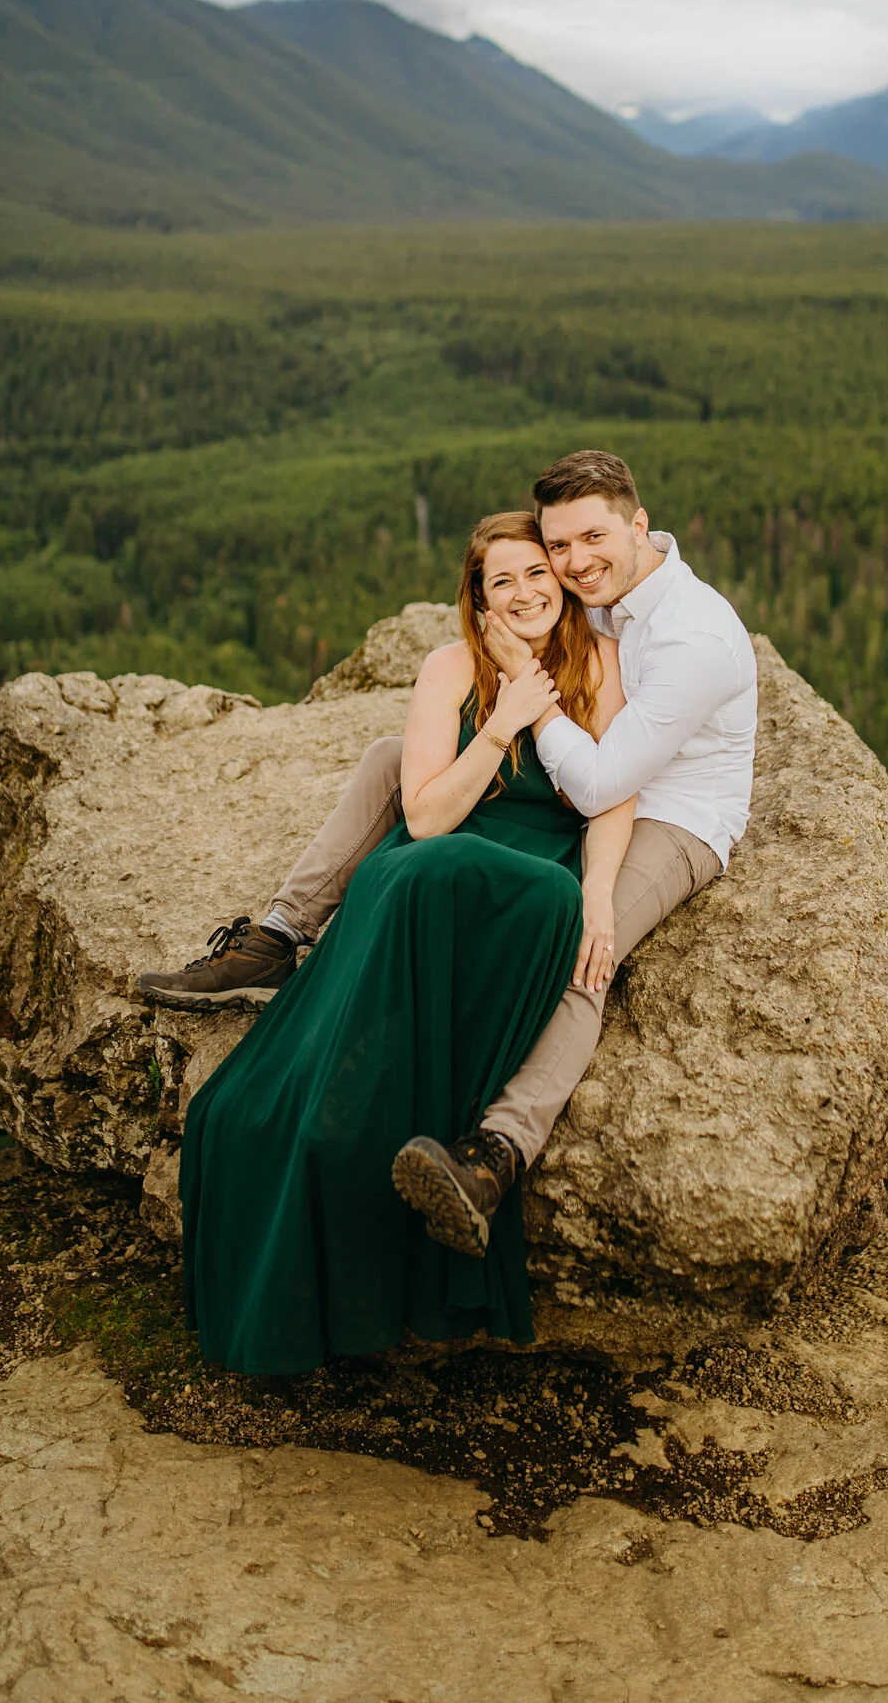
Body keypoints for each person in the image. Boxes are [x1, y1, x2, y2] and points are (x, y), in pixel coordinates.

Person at [142, 447, 757, 1266]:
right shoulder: (599, 590)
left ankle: (496, 1153)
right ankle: (280, 934)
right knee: (390, 761)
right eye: (558, 545)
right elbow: (531, 637)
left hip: (668, 813)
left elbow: (607, 784)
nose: (572, 565)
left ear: (639, 527)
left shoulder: (695, 636)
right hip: (581, 766)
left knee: (584, 948)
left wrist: (525, 716)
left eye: (589, 542)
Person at [178, 511, 634, 1373]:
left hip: (532, 882)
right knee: (253, 1115)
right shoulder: (451, 668)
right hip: (434, 865)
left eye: (539, 572)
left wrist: (598, 897)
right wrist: (507, 717)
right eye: (504, 581)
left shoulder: (600, 664)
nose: (529, 591)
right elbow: (424, 818)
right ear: (479, 598)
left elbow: (613, 798)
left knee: (532, 889)